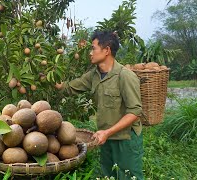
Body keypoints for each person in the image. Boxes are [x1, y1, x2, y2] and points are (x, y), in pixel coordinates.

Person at [57, 31, 144, 179]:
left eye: (93, 48)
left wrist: (107, 132)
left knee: (128, 176)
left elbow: (134, 112)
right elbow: (69, 88)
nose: (90, 53)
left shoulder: (125, 76)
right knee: (108, 175)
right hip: (105, 137)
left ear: (107, 50)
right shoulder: (94, 75)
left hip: (126, 139)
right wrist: (49, 76)